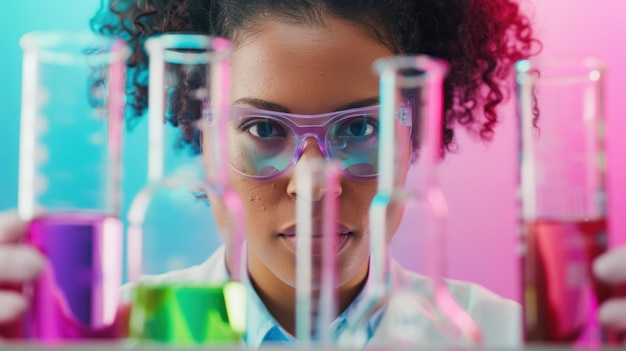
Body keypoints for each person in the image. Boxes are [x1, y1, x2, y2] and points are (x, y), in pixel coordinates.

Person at [1, 0, 626, 347]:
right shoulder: (103, 339)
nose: (313, 183)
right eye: (263, 130)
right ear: (202, 138)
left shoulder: (508, 339)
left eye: (360, 129)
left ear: (416, 136)